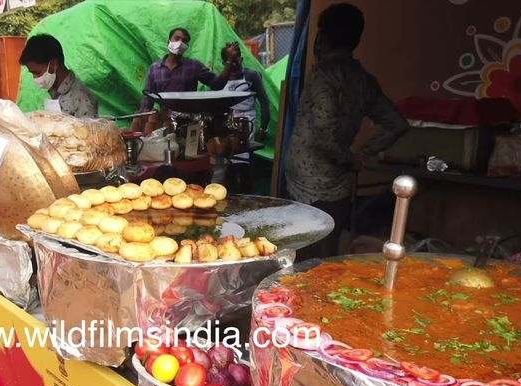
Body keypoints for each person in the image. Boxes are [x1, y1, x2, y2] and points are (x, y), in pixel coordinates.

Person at [285, 3, 408, 259]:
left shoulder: (324, 74)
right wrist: (361, 154)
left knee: (304, 257)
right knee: (329, 254)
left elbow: (322, 134)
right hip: (338, 186)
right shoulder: (362, 79)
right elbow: (396, 123)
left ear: (324, 37)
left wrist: (352, 157)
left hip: (307, 189)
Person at [139, 28, 239, 112]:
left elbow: (218, 84)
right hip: (164, 122)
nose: (180, 43)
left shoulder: (194, 66)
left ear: (187, 46)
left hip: (189, 123)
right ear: (168, 41)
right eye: (177, 38)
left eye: (184, 40)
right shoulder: (155, 68)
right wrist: (143, 121)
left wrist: (230, 59)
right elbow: (148, 100)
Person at [212, 44, 272, 184]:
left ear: (241, 58)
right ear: (224, 62)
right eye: (229, 60)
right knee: (226, 163)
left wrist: (264, 127)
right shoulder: (221, 79)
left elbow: (264, 101)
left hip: (246, 123)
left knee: (243, 160)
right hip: (225, 124)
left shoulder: (252, 75)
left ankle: (246, 189)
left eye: (235, 59)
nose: (233, 64)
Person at [20, 34, 98, 118]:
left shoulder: (82, 97)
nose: (35, 78)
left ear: (53, 64)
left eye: (38, 73)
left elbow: (87, 130)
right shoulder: (56, 91)